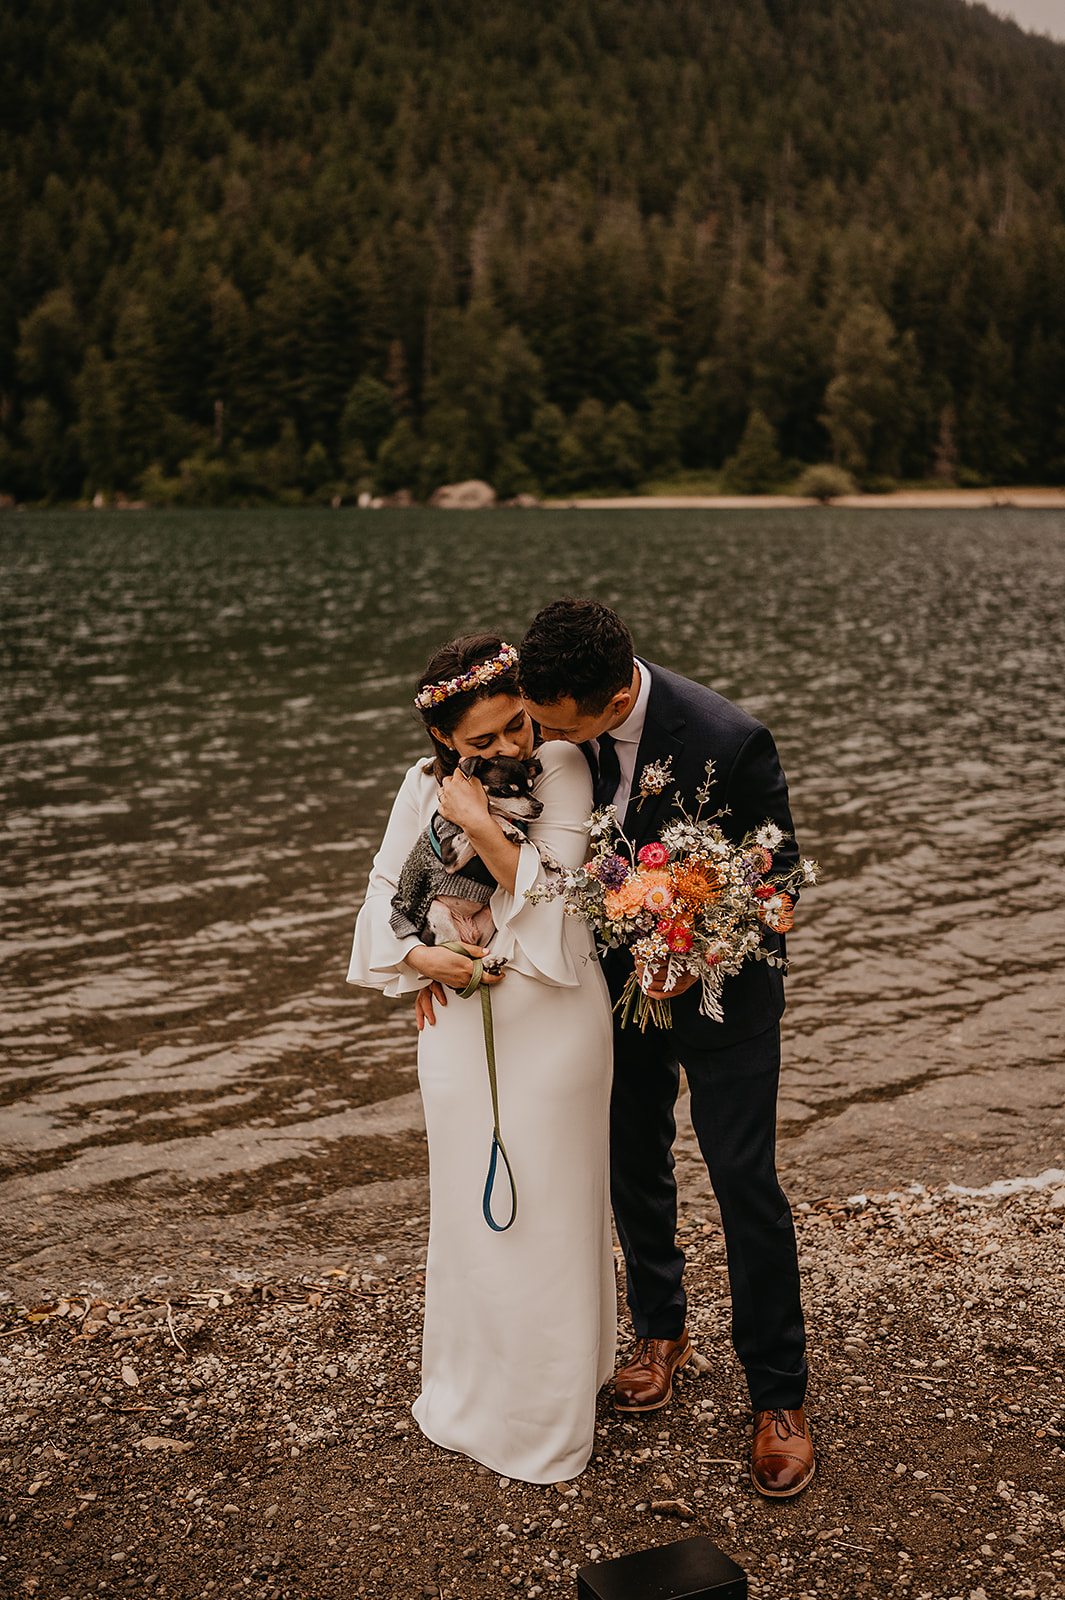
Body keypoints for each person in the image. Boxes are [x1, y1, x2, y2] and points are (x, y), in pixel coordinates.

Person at [519, 598, 815, 1499]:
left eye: (558, 724)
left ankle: (778, 1395)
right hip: (606, 989)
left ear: (615, 699)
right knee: (630, 1159)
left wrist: (695, 945)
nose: (541, 736)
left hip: (722, 996)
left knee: (742, 1180)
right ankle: (661, 1329)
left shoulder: (729, 738)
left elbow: (781, 883)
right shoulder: (545, 726)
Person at [347, 633, 616, 1484]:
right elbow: (384, 889)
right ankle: (471, 1387)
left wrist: (474, 823)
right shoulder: (417, 785)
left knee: (551, 1206)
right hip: (456, 1019)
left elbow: (557, 899)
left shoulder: (564, 764)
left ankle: (548, 1409)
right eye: (482, 742)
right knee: (470, 1204)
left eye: (514, 727)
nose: (508, 748)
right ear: (443, 746)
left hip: (554, 1012)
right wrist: (416, 959)